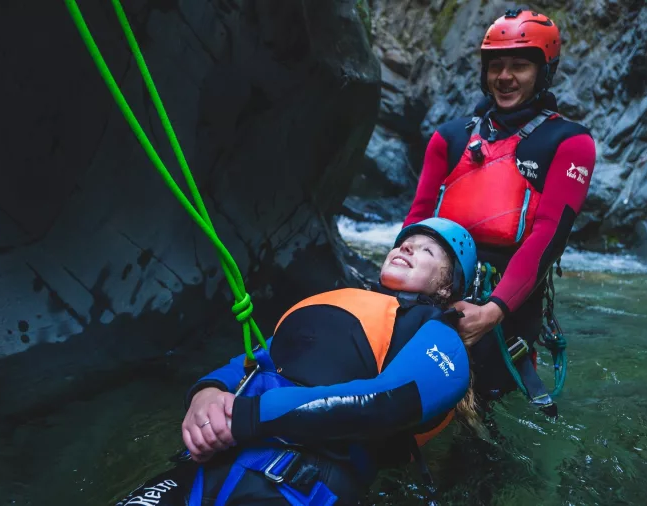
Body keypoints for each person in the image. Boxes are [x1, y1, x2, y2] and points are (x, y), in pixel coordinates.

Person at [113, 218, 480, 506]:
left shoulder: (438, 336)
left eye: (426, 251)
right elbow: (252, 362)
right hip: (212, 460)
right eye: (404, 244)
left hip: (301, 482)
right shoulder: (339, 303)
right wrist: (206, 394)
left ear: (447, 288)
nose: (406, 249)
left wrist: (248, 416)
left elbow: (388, 402)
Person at [403, 9, 597, 414]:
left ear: (544, 72)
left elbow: (549, 236)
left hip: (506, 310)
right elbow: (416, 220)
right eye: (496, 66)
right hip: (431, 298)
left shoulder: (570, 144)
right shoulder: (449, 138)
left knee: (483, 430)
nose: (504, 76)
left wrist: (494, 311)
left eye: (520, 65)